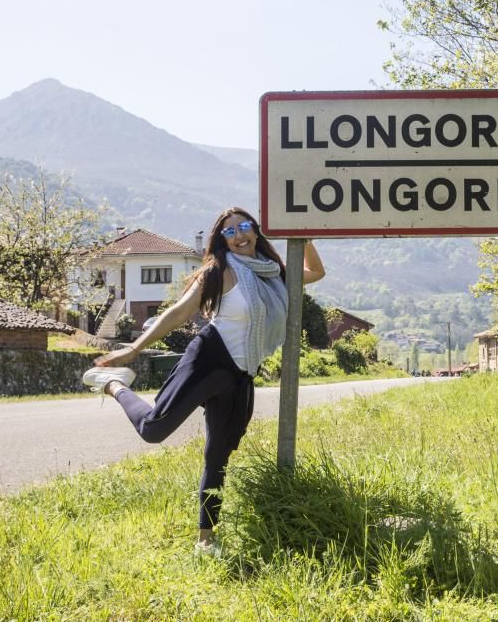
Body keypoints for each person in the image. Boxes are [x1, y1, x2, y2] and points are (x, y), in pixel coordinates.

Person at [81, 207, 325, 555]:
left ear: (256, 230)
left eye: (245, 227)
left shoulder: (274, 273)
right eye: (230, 231)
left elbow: (316, 271)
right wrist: (134, 348)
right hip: (210, 358)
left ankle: (205, 541)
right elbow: (179, 312)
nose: (240, 235)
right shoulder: (219, 269)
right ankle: (114, 384)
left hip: (241, 374)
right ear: (221, 239)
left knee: (218, 457)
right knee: (154, 430)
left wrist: (303, 237)